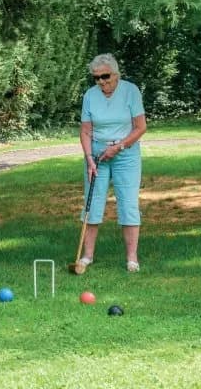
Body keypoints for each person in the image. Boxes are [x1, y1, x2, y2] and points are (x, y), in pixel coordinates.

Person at [79, 53, 147, 272]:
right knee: (93, 203)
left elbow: (140, 127)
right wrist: (90, 158)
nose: (101, 82)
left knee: (128, 204)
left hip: (125, 153)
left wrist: (118, 147)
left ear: (116, 74)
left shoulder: (130, 91)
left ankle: (132, 259)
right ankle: (87, 256)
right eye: (96, 78)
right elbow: (86, 130)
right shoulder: (90, 95)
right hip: (97, 154)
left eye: (105, 76)